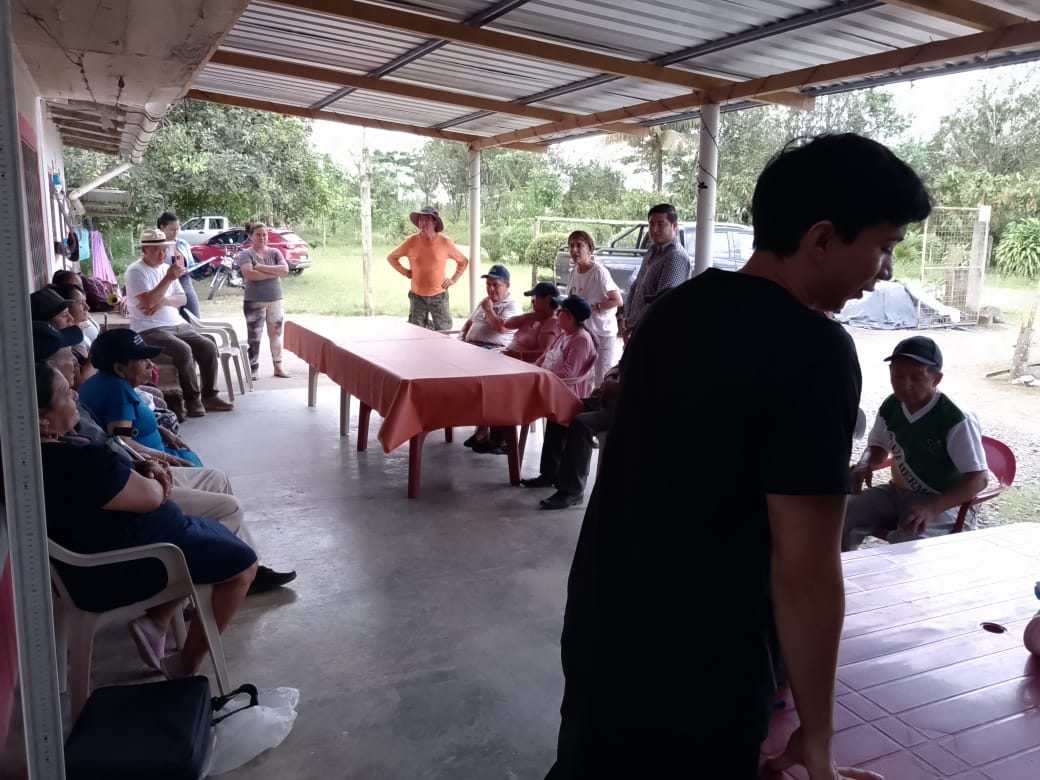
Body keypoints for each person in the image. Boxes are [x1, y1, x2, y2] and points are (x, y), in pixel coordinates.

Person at [546, 134, 931, 780]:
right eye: (884, 247)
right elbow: (807, 570)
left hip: (603, 619)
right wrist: (818, 736)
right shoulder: (814, 352)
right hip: (703, 659)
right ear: (822, 238)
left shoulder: (676, 312)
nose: (885, 271)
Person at [33, 322, 297, 596]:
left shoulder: (85, 407)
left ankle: (245, 566)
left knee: (216, 479)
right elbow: (122, 444)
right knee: (229, 507)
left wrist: (154, 445)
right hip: (136, 500)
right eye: (141, 360)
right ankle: (232, 574)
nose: (76, 363)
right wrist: (158, 462)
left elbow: (115, 441)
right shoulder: (103, 407)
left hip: (133, 474)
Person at [35, 361, 256, 679]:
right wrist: (155, 475)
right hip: (125, 566)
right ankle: (185, 664)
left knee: (218, 535)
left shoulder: (44, 456)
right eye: (65, 394)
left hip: (114, 553)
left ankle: (160, 622)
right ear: (42, 419)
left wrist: (140, 469)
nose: (75, 394)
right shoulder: (77, 462)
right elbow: (154, 497)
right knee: (243, 565)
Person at [842, 336, 987, 551]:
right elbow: (878, 447)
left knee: (910, 543)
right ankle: (837, 570)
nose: (905, 385)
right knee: (840, 515)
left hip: (946, 503)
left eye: (916, 377)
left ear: (936, 379)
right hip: (898, 492)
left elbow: (979, 478)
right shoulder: (892, 405)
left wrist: (932, 508)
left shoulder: (955, 417)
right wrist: (865, 463)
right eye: (898, 376)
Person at [123, 228, 233, 417]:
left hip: (177, 324)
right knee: (183, 350)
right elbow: (148, 302)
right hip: (149, 328)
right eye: (156, 249)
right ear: (144, 250)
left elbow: (182, 299)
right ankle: (192, 400)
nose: (162, 254)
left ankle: (210, 395)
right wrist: (167, 280)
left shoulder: (167, 269)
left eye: (164, 249)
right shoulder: (136, 271)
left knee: (208, 345)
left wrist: (164, 300)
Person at [79, 328, 204, 467]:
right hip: (152, 465)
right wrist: (165, 457)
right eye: (142, 360)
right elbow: (122, 444)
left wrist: (161, 431)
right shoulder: (118, 392)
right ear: (119, 369)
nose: (150, 364)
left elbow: (128, 427)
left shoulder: (102, 381)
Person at [521, 363, 620, 511]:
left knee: (582, 423)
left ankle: (572, 490)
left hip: (623, 409)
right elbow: (619, 366)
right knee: (562, 409)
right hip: (607, 401)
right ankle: (550, 473)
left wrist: (617, 387)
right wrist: (610, 378)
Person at [387, 206, 469, 330]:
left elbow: (463, 261)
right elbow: (392, 258)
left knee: (444, 331)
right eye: (420, 219)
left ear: (435, 222)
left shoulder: (445, 242)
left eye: (426, 219)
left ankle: (433, 333)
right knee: (416, 332)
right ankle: (427, 331)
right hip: (417, 297)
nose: (422, 223)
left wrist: (453, 280)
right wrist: (406, 272)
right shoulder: (411, 241)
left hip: (439, 296)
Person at [620, 203, 691, 340]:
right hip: (638, 329)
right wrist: (626, 319)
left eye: (660, 224)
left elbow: (661, 302)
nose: (654, 229)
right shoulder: (652, 250)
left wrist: (629, 323)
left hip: (657, 333)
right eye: (651, 224)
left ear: (674, 226)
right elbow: (636, 286)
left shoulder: (675, 257)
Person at [563, 230, 622, 386]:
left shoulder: (599, 273)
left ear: (590, 249)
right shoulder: (573, 273)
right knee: (583, 377)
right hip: (584, 334)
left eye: (579, 245)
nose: (574, 250)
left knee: (601, 378)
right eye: (571, 246)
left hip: (602, 332)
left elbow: (617, 300)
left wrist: (592, 308)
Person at [236, 221, 291, 380]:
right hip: (254, 301)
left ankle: (278, 367)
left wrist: (260, 267)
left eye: (264, 234)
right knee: (254, 336)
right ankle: (253, 369)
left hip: (275, 299)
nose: (262, 237)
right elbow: (249, 275)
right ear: (251, 236)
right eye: (258, 235)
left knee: (276, 334)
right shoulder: (246, 254)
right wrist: (274, 273)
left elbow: (285, 270)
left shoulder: (274, 252)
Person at [535, 295, 597, 400]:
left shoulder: (581, 340)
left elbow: (569, 374)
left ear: (570, 316)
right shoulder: (564, 334)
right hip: (548, 380)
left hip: (564, 391)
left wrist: (542, 374)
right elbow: (546, 355)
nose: (556, 314)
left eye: (560, 311)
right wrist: (534, 367)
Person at [459, 264, 521, 347]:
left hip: (492, 348)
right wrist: (459, 341)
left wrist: (488, 310)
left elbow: (501, 328)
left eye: (495, 285)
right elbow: (468, 325)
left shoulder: (512, 304)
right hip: (470, 346)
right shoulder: (484, 302)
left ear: (507, 285)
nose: (491, 289)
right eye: (488, 284)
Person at [502, 281, 561, 363]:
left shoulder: (551, 322)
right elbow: (507, 324)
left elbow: (544, 354)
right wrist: (530, 315)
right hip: (510, 361)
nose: (532, 301)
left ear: (547, 299)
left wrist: (518, 355)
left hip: (523, 366)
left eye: (535, 297)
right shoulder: (531, 317)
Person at [157, 211, 201, 319]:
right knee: (172, 317)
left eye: (177, 229)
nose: (175, 232)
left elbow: (191, 265)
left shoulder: (183, 244)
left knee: (193, 315)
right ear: (162, 228)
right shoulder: (158, 247)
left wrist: (199, 269)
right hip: (167, 284)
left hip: (185, 281)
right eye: (172, 230)